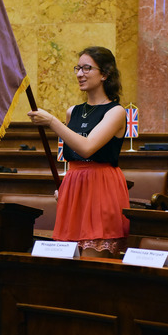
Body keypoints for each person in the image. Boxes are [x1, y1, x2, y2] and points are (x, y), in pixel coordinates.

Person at [27, 46, 129, 257]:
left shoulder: (116, 111)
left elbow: (87, 148)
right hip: (75, 187)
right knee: (68, 260)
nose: (80, 74)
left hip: (101, 188)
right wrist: (65, 186)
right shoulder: (72, 112)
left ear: (105, 74)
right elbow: (71, 155)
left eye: (87, 68)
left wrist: (51, 121)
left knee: (93, 261)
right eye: (78, 68)